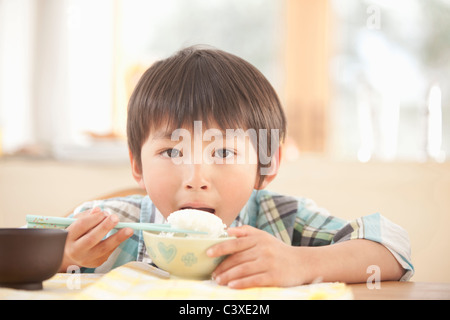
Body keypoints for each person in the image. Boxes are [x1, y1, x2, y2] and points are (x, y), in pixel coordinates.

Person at [59, 46, 413, 288]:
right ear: (136, 164)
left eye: (224, 153)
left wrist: (299, 263)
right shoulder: (110, 226)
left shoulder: (285, 220)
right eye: (171, 152)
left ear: (266, 164)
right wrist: (61, 259)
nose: (196, 179)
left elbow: (393, 248)